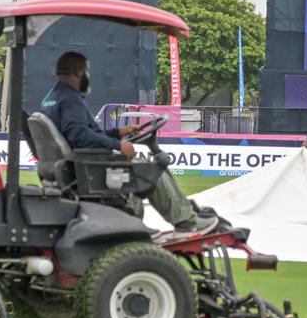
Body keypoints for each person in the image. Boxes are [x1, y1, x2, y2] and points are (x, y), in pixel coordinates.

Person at [40, 52, 218, 239]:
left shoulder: (53, 97)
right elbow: (78, 135)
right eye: (87, 71)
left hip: (76, 167)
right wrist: (117, 144)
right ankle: (187, 223)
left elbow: (81, 133)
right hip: (88, 169)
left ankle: (134, 224)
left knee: (138, 174)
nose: (88, 76)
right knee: (153, 171)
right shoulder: (71, 99)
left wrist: (118, 132)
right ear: (78, 71)